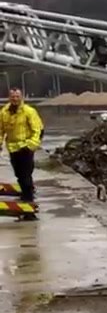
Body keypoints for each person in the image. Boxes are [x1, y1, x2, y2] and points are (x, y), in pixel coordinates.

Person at [0, 88, 43, 221]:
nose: (15, 99)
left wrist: (31, 146)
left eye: (17, 97)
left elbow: (38, 130)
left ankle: (29, 205)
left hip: (25, 147)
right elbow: (0, 130)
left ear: (21, 97)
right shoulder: (4, 112)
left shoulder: (29, 111)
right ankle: (25, 196)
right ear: (9, 98)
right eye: (13, 97)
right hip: (13, 148)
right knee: (19, 175)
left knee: (26, 175)